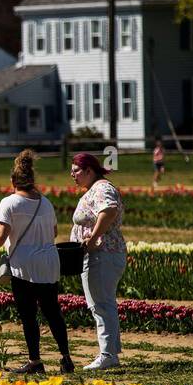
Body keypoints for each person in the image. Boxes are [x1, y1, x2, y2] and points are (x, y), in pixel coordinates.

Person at [0, 150, 73, 375]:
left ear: (13, 180)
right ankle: (66, 358)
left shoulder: (9, 203)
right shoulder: (46, 202)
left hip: (24, 265)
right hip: (49, 261)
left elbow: (1, 235)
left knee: (28, 314)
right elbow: (53, 232)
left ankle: (35, 361)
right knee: (53, 311)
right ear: (33, 180)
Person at [69, 152, 127, 371]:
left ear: (89, 171)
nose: (72, 175)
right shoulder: (94, 189)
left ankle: (108, 355)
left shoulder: (102, 188)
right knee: (102, 303)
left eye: (75, 171)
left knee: (101, 304)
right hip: (100, 254)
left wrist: (93, 239)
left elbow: (109, 210)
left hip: (103, 254)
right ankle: (110, 351)